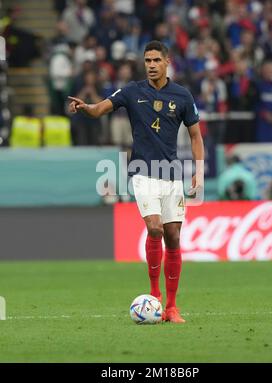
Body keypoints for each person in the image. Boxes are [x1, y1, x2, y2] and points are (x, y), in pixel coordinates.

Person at [68, 40, 205, 324]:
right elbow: (99, 109)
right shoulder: (132, 91)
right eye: (147, 61)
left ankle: (171, 307)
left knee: (174, 237)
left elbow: (195, 136)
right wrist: (85, 107)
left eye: (156, 60)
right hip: (143, 173)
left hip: (172, 177)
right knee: (154, 229)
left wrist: (199, 170)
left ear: (167, 62)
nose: (152, 65)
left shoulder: (182, 96)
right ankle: (154, 295)